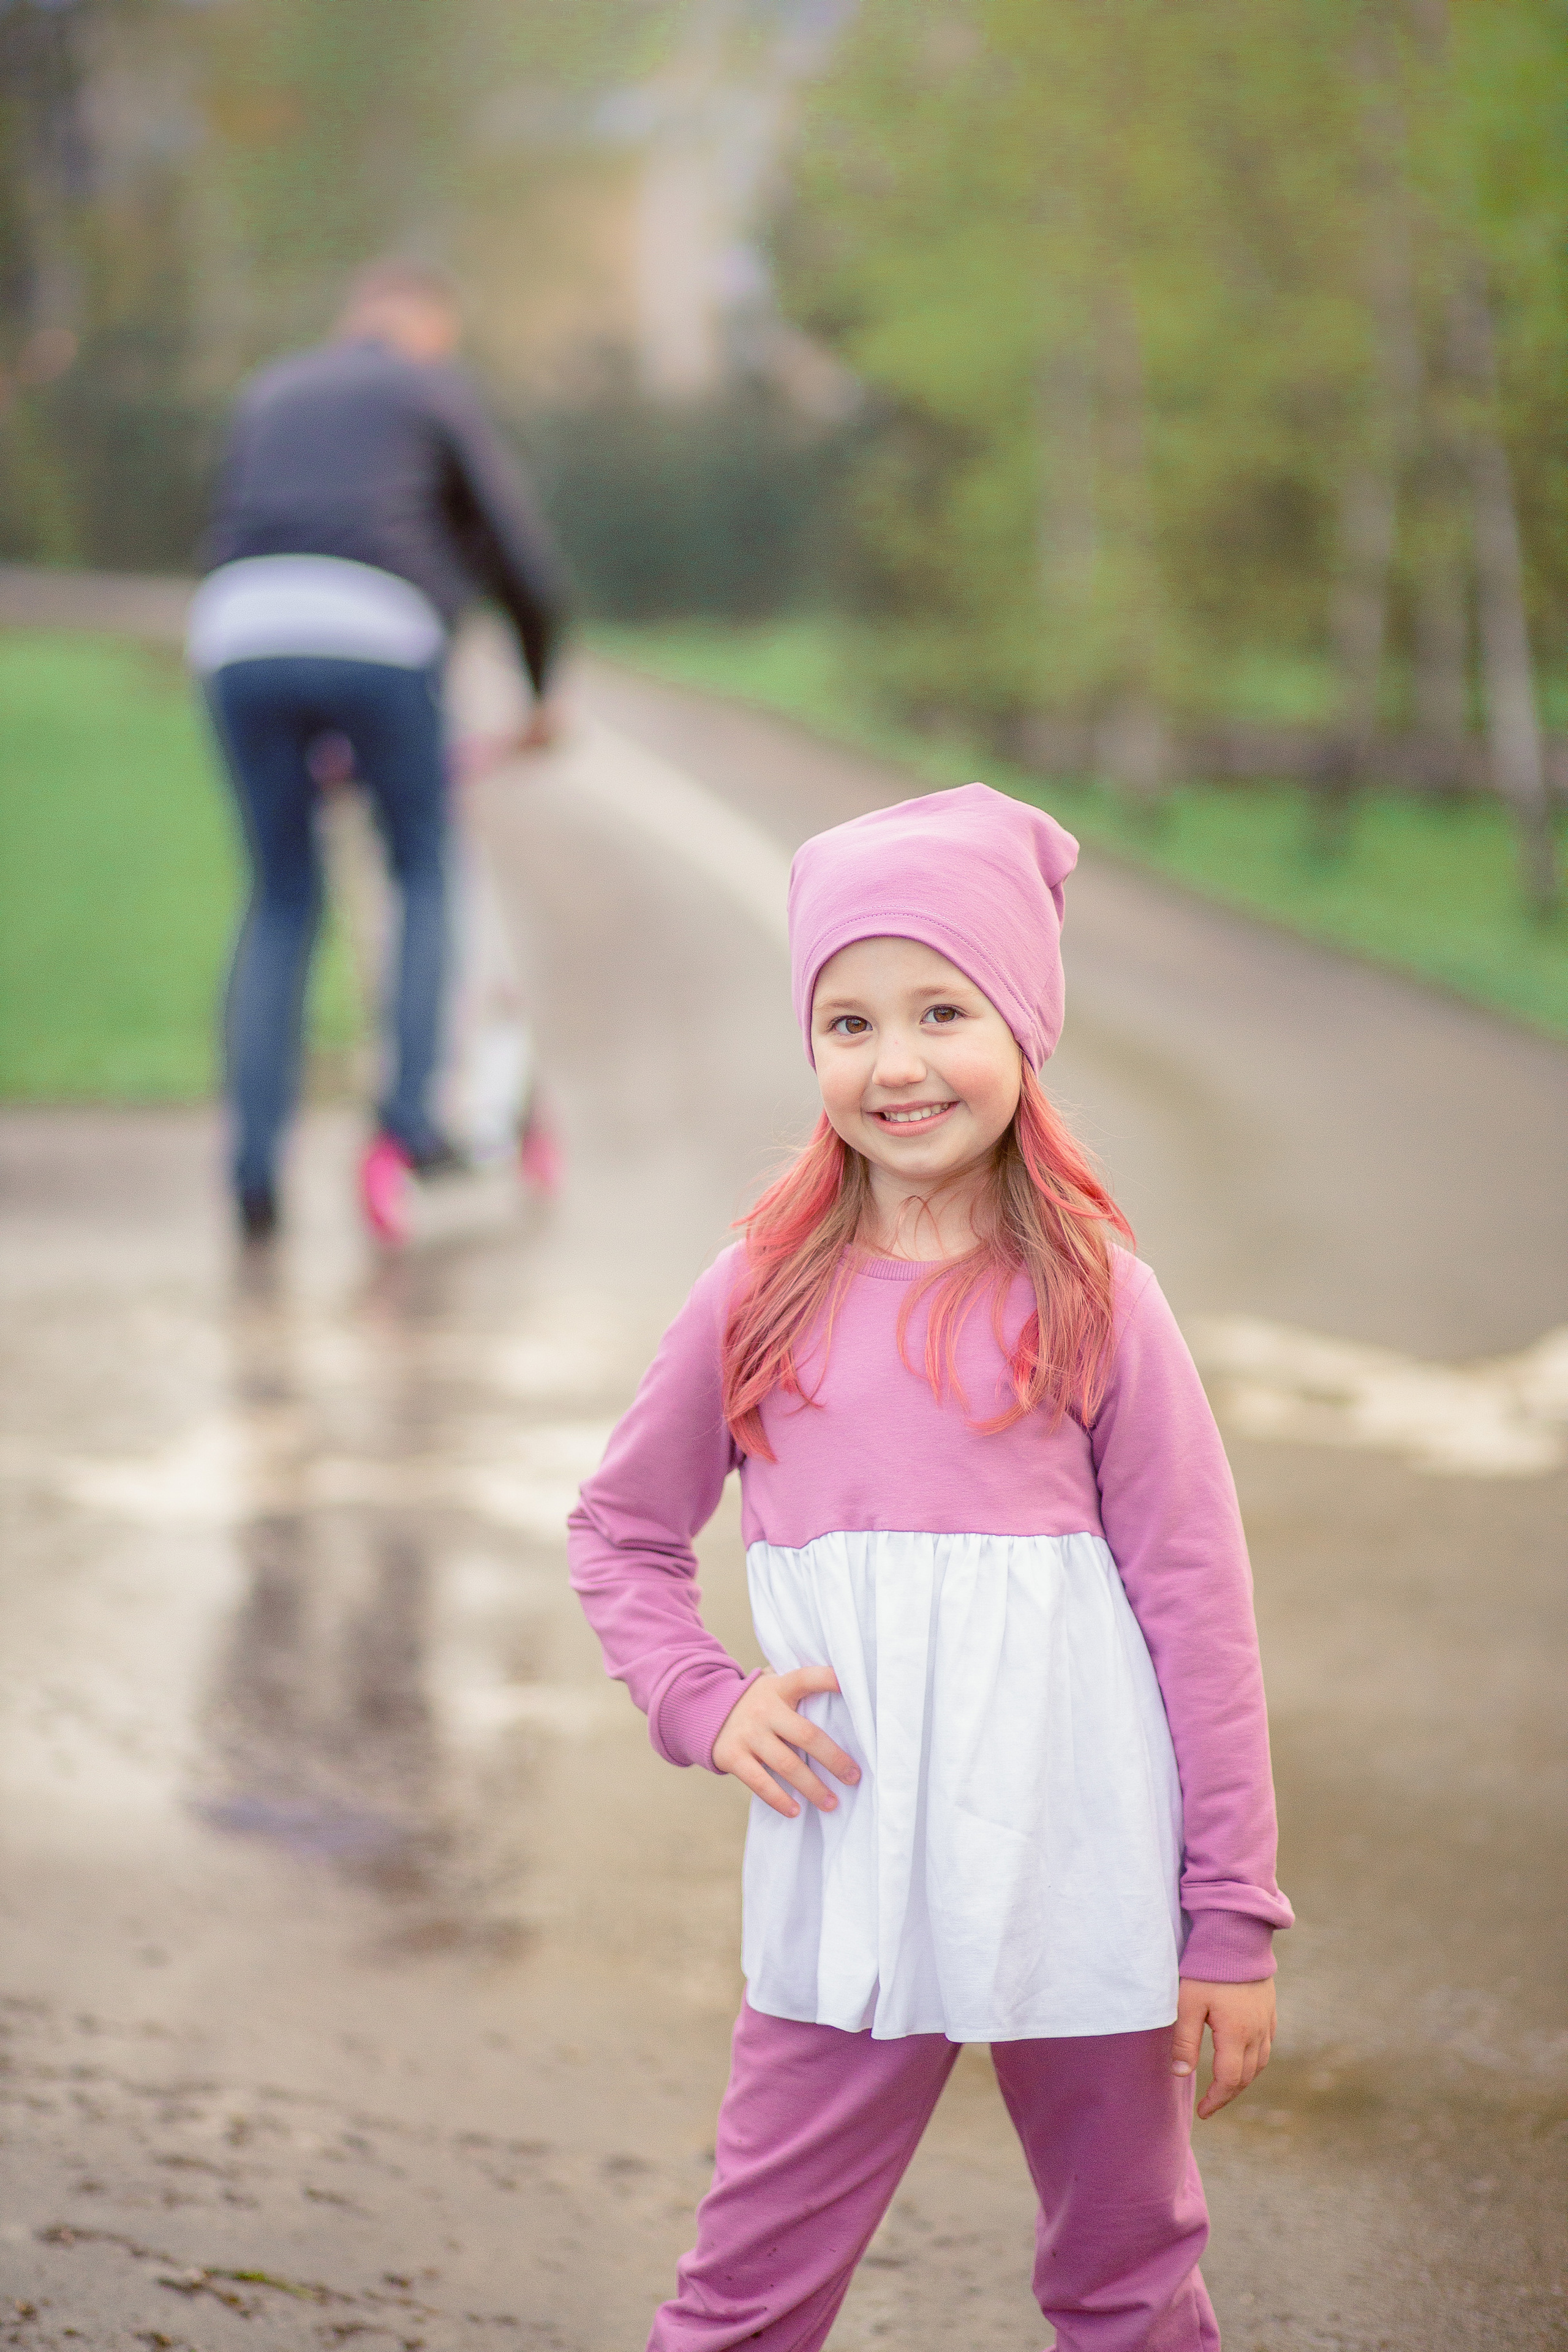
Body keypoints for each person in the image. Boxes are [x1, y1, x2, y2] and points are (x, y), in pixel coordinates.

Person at [567, 782, 1292, 2351]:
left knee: (1127, 2278)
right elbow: (618, 1531)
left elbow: (1196, 1613)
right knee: (744, 2292)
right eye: (846, 1021)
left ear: (1023, 1023)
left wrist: (1225, 1915)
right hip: (848, 1873)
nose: (893, 1064)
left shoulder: (1099, 1298)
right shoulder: (756, 1292)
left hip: (1080, 1869)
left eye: (940, 1010)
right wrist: (701, 1696)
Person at [189, 257, 568, 1240]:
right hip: (379, 632)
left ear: (350, 318)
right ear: (427, 325)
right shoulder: (429, 384)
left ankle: (253, 1166)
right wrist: (538, 694)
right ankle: (405, 1124)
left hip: (238, 630)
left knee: (279, 895)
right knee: (422, 870)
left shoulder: (270, 389)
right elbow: (516, 550)